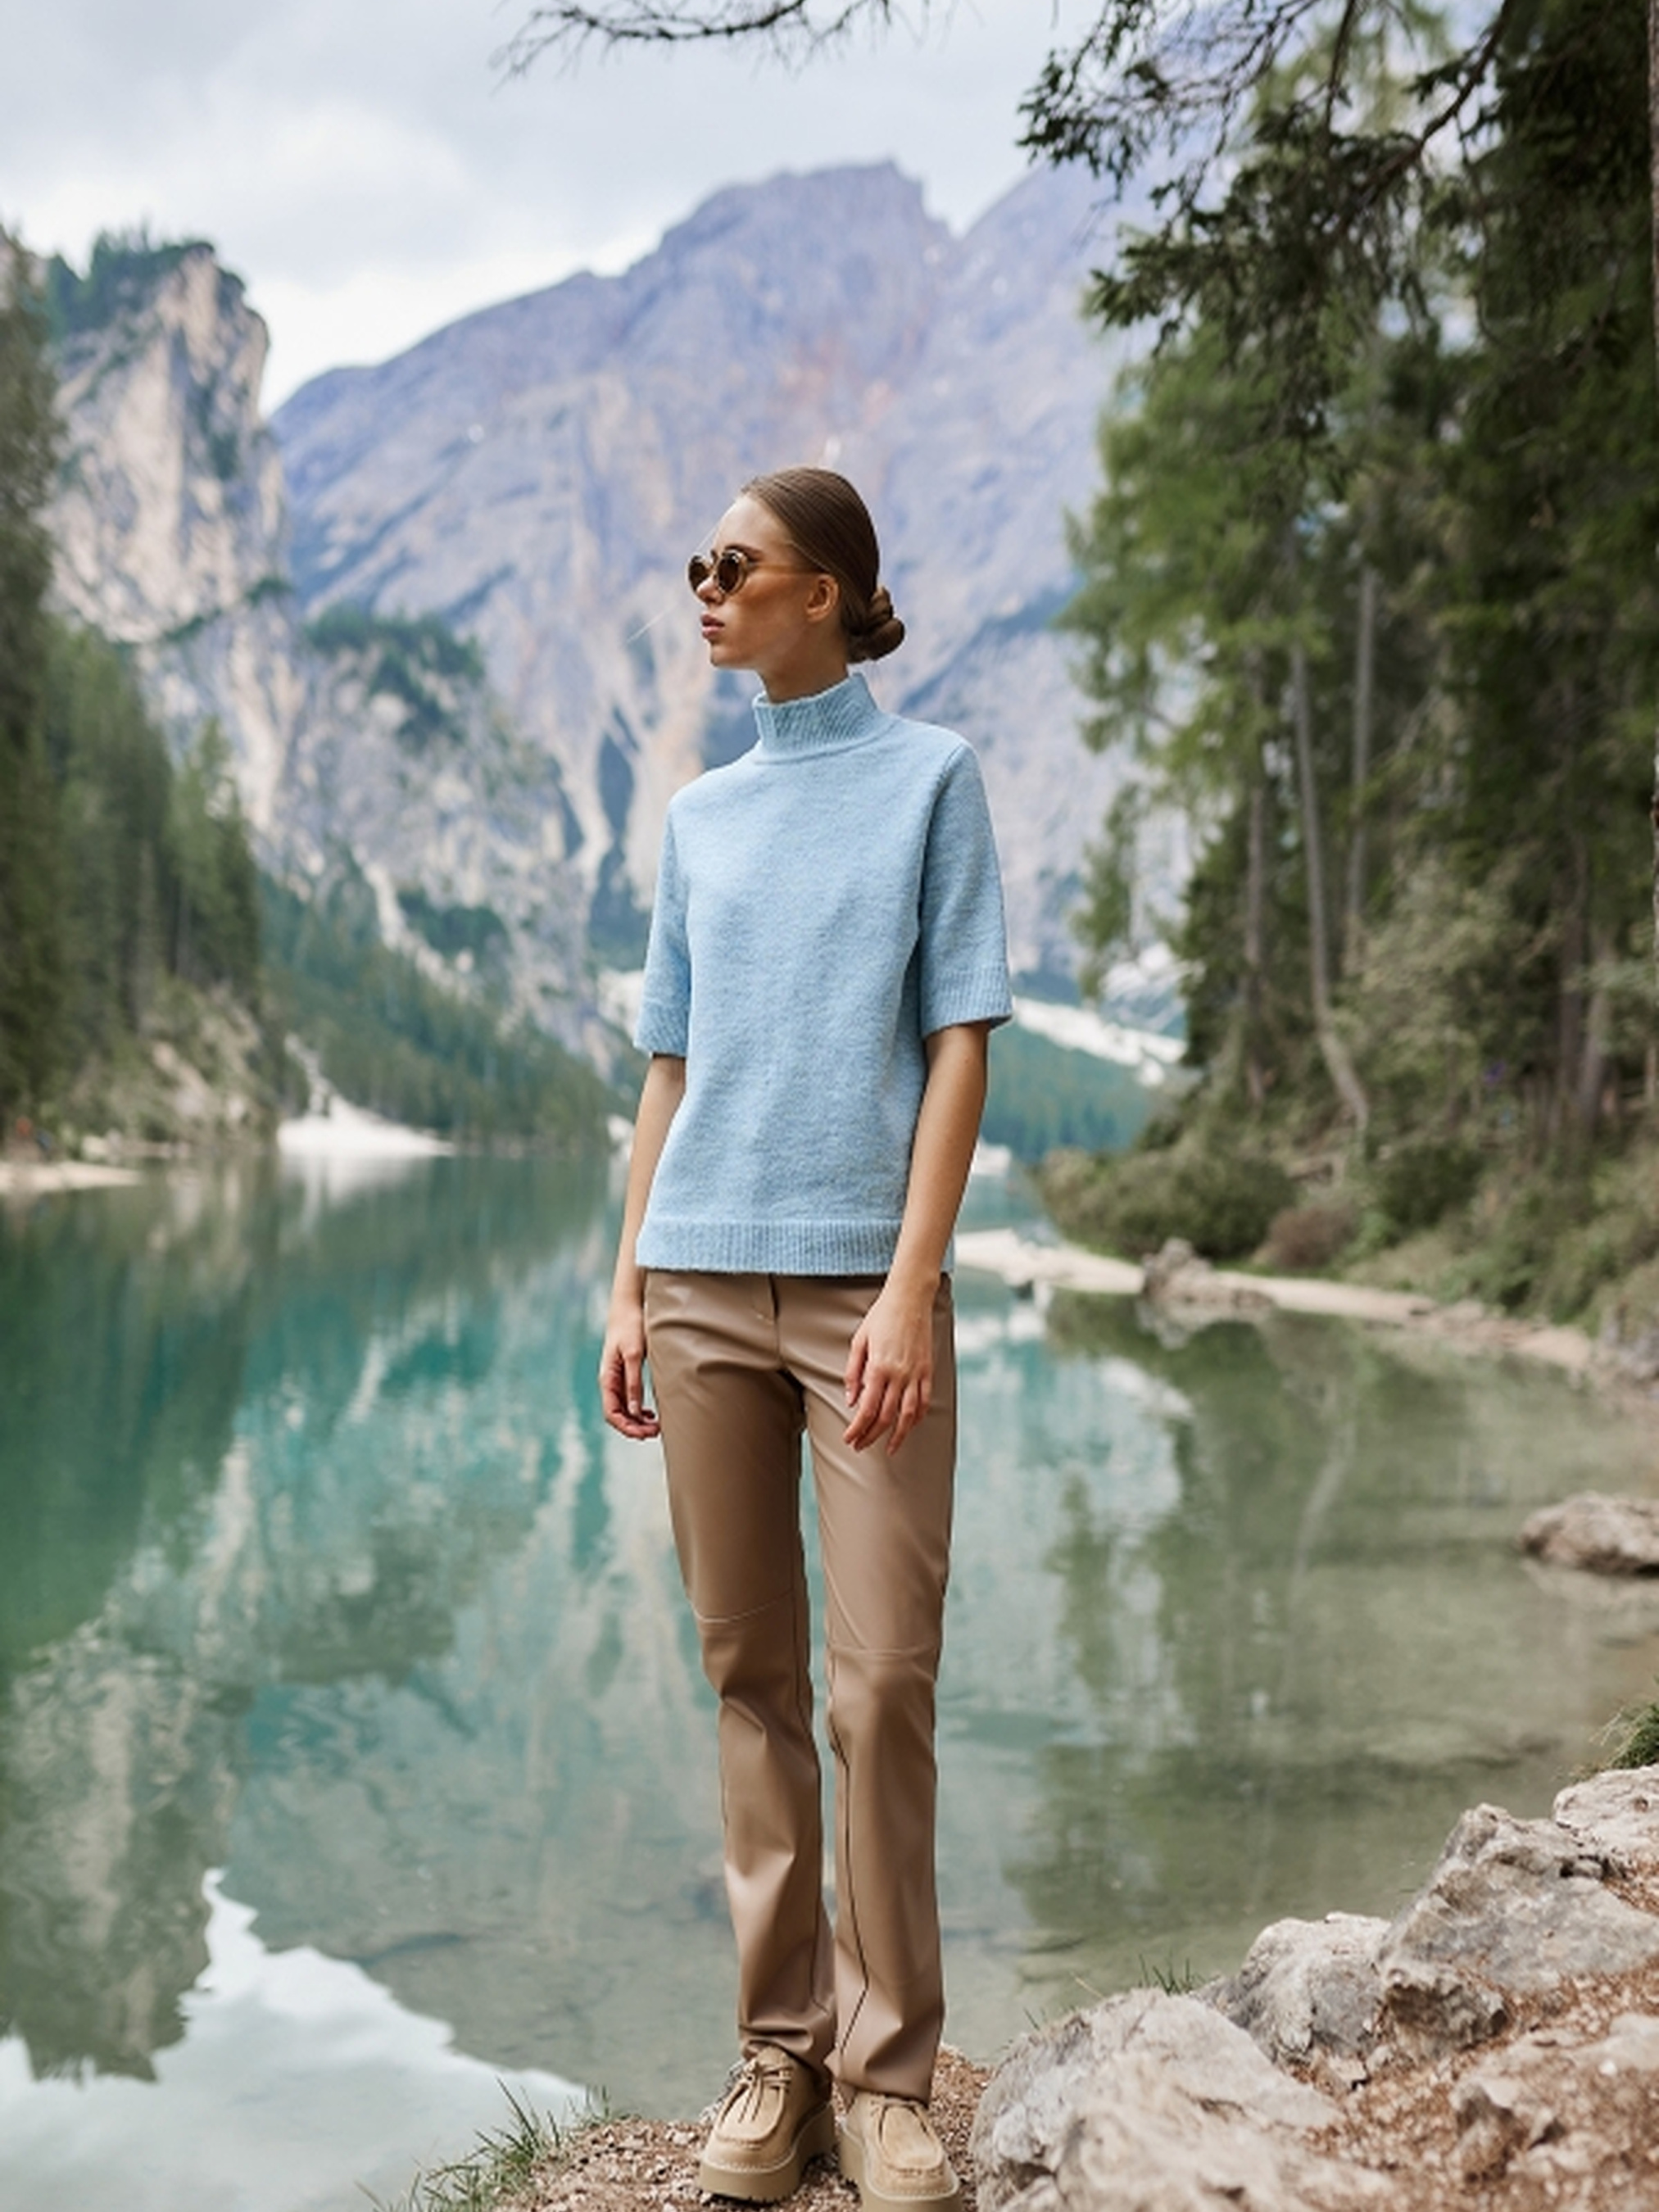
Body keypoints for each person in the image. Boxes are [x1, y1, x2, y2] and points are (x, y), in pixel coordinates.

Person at [599, 466, 1010, 2212]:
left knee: (882, 1682)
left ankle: (889, 2078)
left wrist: (911, 1284)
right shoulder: (699, 817)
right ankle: (780, 2061)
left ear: (824, 590)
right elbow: (668, 1067)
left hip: (861, 1296)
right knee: (748, 1680)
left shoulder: (931, 780)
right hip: (696, 1278)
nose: (704, 589)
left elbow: (959, 1040)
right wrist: (626, 1283)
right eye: (698, 567)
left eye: (734, 565)